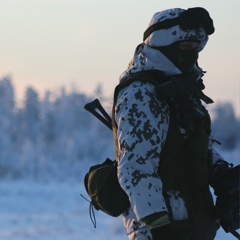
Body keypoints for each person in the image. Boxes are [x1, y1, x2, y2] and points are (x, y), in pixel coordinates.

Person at [112, 7, 234, 240]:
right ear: (163, 45)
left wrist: (222, 173)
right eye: (186, 47)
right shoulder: (142, 94)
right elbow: (135, 168)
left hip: (194, 226)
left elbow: (195, 146)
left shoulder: (181, 90)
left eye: (197, 47)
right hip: (160, 231)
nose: (193, 54)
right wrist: (159, 227)